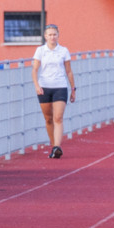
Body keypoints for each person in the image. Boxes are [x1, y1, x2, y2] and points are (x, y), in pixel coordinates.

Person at [32, 24, 76, 159]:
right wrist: (37, 85)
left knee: (58, 117)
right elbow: (34, 69)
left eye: (54, 34)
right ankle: (53, 146)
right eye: (50, 35)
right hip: (44, 87)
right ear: (45, 36)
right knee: (48, 118)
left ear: (58, 35)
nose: (52, 37)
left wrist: (73, 89)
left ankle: (57, 146)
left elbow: (69, 71)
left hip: (60, 86)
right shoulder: (40, 51)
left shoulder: (63, 51)